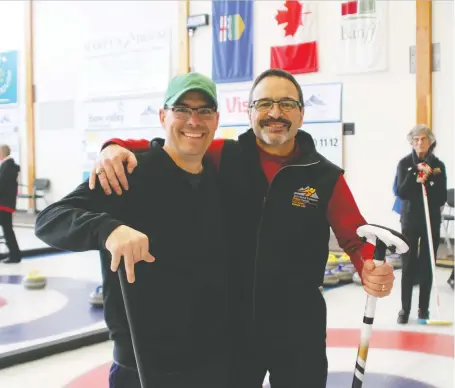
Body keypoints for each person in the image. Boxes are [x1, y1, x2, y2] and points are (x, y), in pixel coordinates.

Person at [89, 69, 396, 388]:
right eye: (264, 104)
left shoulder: (325, 177)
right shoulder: (224, 155)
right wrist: (114, 145)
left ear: (302, 114)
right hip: (231, 329)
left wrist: (370, 267)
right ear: (248, 112)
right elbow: (170, 146)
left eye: (287, 104)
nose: (275, 113)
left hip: (298, 331)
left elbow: (356, 237)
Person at [35, 73, 231, 388]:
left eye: (204, 111)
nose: (194, 120)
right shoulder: (127, 174)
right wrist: (107, 229)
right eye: (182, 109)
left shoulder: (221, 177)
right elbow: (50, 218)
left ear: (216, 119)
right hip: (143, 367)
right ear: (163, 116)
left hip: (214, 363)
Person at [395, 124, 447, 324]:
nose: (419, 143)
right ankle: (404, 309)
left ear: (430, 141)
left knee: (427, 263)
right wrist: (415, 176)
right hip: (410, 219)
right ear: (411, 142)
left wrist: (429, 180)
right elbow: (402, 192)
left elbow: (441, 196)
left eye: (423, 139)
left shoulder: (438, 165)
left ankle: (423, 309)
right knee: (407, 264)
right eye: (415, 140)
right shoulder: (404, 163)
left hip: (430, 219)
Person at [0, 144, 22, 264]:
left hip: (3, 204)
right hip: (7, 203)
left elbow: (1, 185)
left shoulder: (6, 166)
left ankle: (14, 255)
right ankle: (15, 254)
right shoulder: (10, 166)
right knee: (8, 230)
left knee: (8, 230)